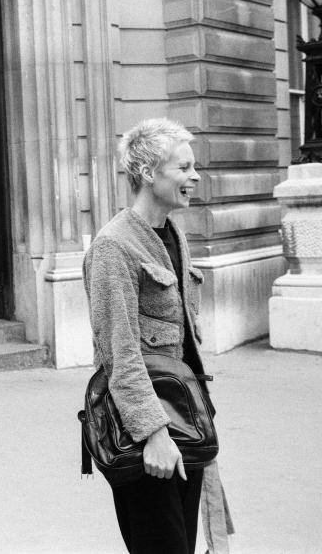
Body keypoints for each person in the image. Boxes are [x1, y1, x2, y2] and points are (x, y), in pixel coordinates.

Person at [83, 118, 230, 553]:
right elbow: (119, 354)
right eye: (183, 167)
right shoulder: (114, 246)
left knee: (183, 542)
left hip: (184, 420)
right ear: (148, 173)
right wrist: (154, 435)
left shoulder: (170, 233)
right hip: (147, 435)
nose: (195, 176)